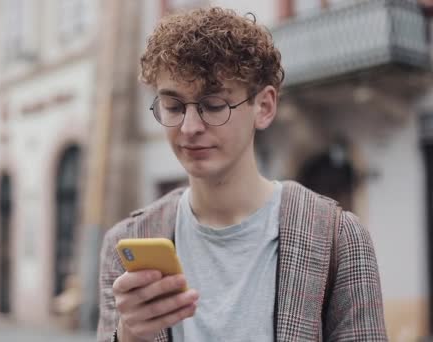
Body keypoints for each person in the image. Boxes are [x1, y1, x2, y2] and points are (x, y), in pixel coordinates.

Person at [97, 7, 387, 342]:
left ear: (264, 107)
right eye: (174, 107)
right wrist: (129, 335)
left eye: (214, 105)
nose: (189, 128)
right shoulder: (126, 243)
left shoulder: (339, 237)